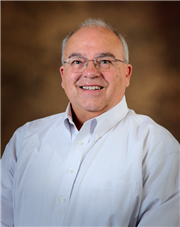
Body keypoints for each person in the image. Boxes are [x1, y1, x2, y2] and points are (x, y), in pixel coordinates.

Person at [1, 18, 179, 227]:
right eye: (77, 61)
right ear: (63, 74)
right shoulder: (25, 140)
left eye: (105, 61)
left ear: (127, 73)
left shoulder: (159, 148)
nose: (90, 72)